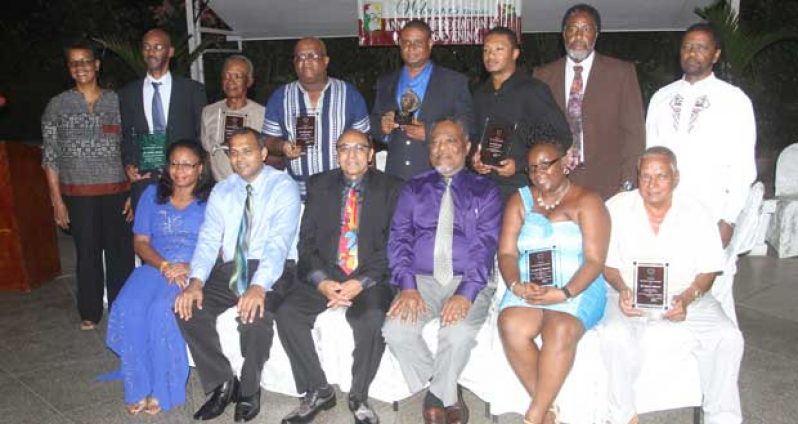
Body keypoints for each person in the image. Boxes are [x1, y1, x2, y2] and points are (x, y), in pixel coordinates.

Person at [600, 146, 743, 424]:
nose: (652, 184)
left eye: (661, 176)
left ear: (676, 178)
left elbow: (708, 269)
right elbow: (608, 264)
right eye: (645, 176)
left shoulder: (697, 211)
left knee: (728, 337)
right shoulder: (616, 207)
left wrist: (687, 299)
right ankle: (622, 416)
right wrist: (622, 289)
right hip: (627, 293)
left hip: (686, 294)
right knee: (614, 336)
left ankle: (722, 418)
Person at [174, 128, 300, 422]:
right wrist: (195, 282)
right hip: (233, 266)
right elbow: (208, 240)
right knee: (186, 307)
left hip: (274, 267)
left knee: (254, 314)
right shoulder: (223, 190)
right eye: (233, 152)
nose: (240, 158)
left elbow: (278, 244)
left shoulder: (283, 186)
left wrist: (258, 286)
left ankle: (250, 388)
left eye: (247, 151)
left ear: (263, 153)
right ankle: (222, 383)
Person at [276, 130, 402, 424]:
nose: (352, 154)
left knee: (369, 318)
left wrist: (361, 282)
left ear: (371, 154)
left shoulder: (392, 188)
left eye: (359, 148)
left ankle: (358, 395)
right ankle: (318, 389)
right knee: (287, 313)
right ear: (336, 154)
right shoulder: (319, 185)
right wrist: (321, 280)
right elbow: (305, 242)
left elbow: (395, 245)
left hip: (369, 274)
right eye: (344, 148)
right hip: (327, 271)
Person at [383, 118, 501, 424]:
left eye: (450, 141)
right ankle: (448, 387)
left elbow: (485, 247)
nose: (441, 148)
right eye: (434, 142)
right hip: (420, 280)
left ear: (467, 146)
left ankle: (436, 396)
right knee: (395, 331)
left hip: (467, 279)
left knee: (458, 331)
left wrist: (465, 294)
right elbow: (399, 239)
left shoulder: (485, 190)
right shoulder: (413, 188)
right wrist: (407, 286)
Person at [497, 125, 609, 424]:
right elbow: (507, 253)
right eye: (533, 168)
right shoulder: (520, 200)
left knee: (558, 329)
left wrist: (564, 293)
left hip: (578, 287)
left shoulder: (588, 201)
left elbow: (595, 261)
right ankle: (548, 412)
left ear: (565, 163)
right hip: (529, 285)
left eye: (546, 165)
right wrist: (515, 285)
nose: (538, 173)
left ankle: (534, 416)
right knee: (510, 324)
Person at [104, 139, 213, 415]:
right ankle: (138, 386)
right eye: (174, 163)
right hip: (156, 266)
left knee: (161, 310)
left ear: (200, 168)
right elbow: (140, 242)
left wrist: (188, 266)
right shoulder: (152, 195)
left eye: (187, 164)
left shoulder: (213, 199)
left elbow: (220, 246)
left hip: (192, 269)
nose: (180, 170)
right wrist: (164, 265)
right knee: (129, 307)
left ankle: (164, 388)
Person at [41, 38, 134, 330]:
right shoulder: (58, 105)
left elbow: (129, 149)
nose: (81, 67)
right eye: (74, 62)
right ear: (69, 69)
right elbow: (51, 156)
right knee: (88, 254)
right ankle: (90, 312)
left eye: (86, 61)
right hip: (78, 195)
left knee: (121, 255)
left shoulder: (117, 101)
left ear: (97, 65)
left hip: (117, 192)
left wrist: (133, 192)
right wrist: (57, 200)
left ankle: (121, 309)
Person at [646, 22, 756, 250]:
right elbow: (650, 153)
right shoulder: (662, 97)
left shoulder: (734, 99)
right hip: (666, 208)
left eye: (701, 47)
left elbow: (743, 165)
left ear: (715, 55)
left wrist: (729, 218)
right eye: (687, 47)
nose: (692, 53)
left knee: (709, 282)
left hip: (712, 207)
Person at [534, 3, 645, 199]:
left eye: (586, 29)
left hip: (608, 185)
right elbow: (536, 130)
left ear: (597, 34)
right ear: (563, 34)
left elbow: (634, 133)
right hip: (557, 183)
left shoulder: (621, 73)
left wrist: (628, 183)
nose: (578, 36)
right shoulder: (543, 75)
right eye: (572, 29)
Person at [471, 26, 571, 201]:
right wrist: (474, 160)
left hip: (522, 187)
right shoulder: (479, 95)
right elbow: (471, 136)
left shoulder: (533, 91)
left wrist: (521, 164)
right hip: (483, 188)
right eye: (486, 50)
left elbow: (562, 137)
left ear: (515, 53)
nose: (490, 55)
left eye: (498, 49)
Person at [263, 37, 370, 196]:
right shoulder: (280, 97)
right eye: (300, 57)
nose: (305, 62)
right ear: (294, 63)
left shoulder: (349, 94)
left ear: (326, 61)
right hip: (296, 193)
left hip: (341, 191)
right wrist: (282, 146)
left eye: (312, 56)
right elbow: (267, 139)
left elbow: (366, 140)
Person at [370, 20, 474, 180]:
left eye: (417, 43)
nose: (411, 48)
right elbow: (374, 124)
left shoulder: (454, 81)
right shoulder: (386, 82)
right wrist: (383, 126)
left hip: (439, 173)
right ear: (399, 43)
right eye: (406, 42)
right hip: (396, 175)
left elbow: (466, 124)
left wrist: (431, 131)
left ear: (430, 44)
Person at [119, 28, 207, 207]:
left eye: (158, 47)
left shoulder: (192, 90)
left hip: (184, 180)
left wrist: (198, 172)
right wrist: (129, 164)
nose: (151, 52)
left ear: (171, 51)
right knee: (145, 234)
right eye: (147, 47)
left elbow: (201, 135)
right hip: (144, 179)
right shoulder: (127, 93)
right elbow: (126, 134)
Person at [201, 55, 265, 181]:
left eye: (237, 76)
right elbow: (206, 153)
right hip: (220, 188)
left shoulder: (262, 114)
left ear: (249, 81)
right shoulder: (208, 112)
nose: (231, 81)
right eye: (227, 76)